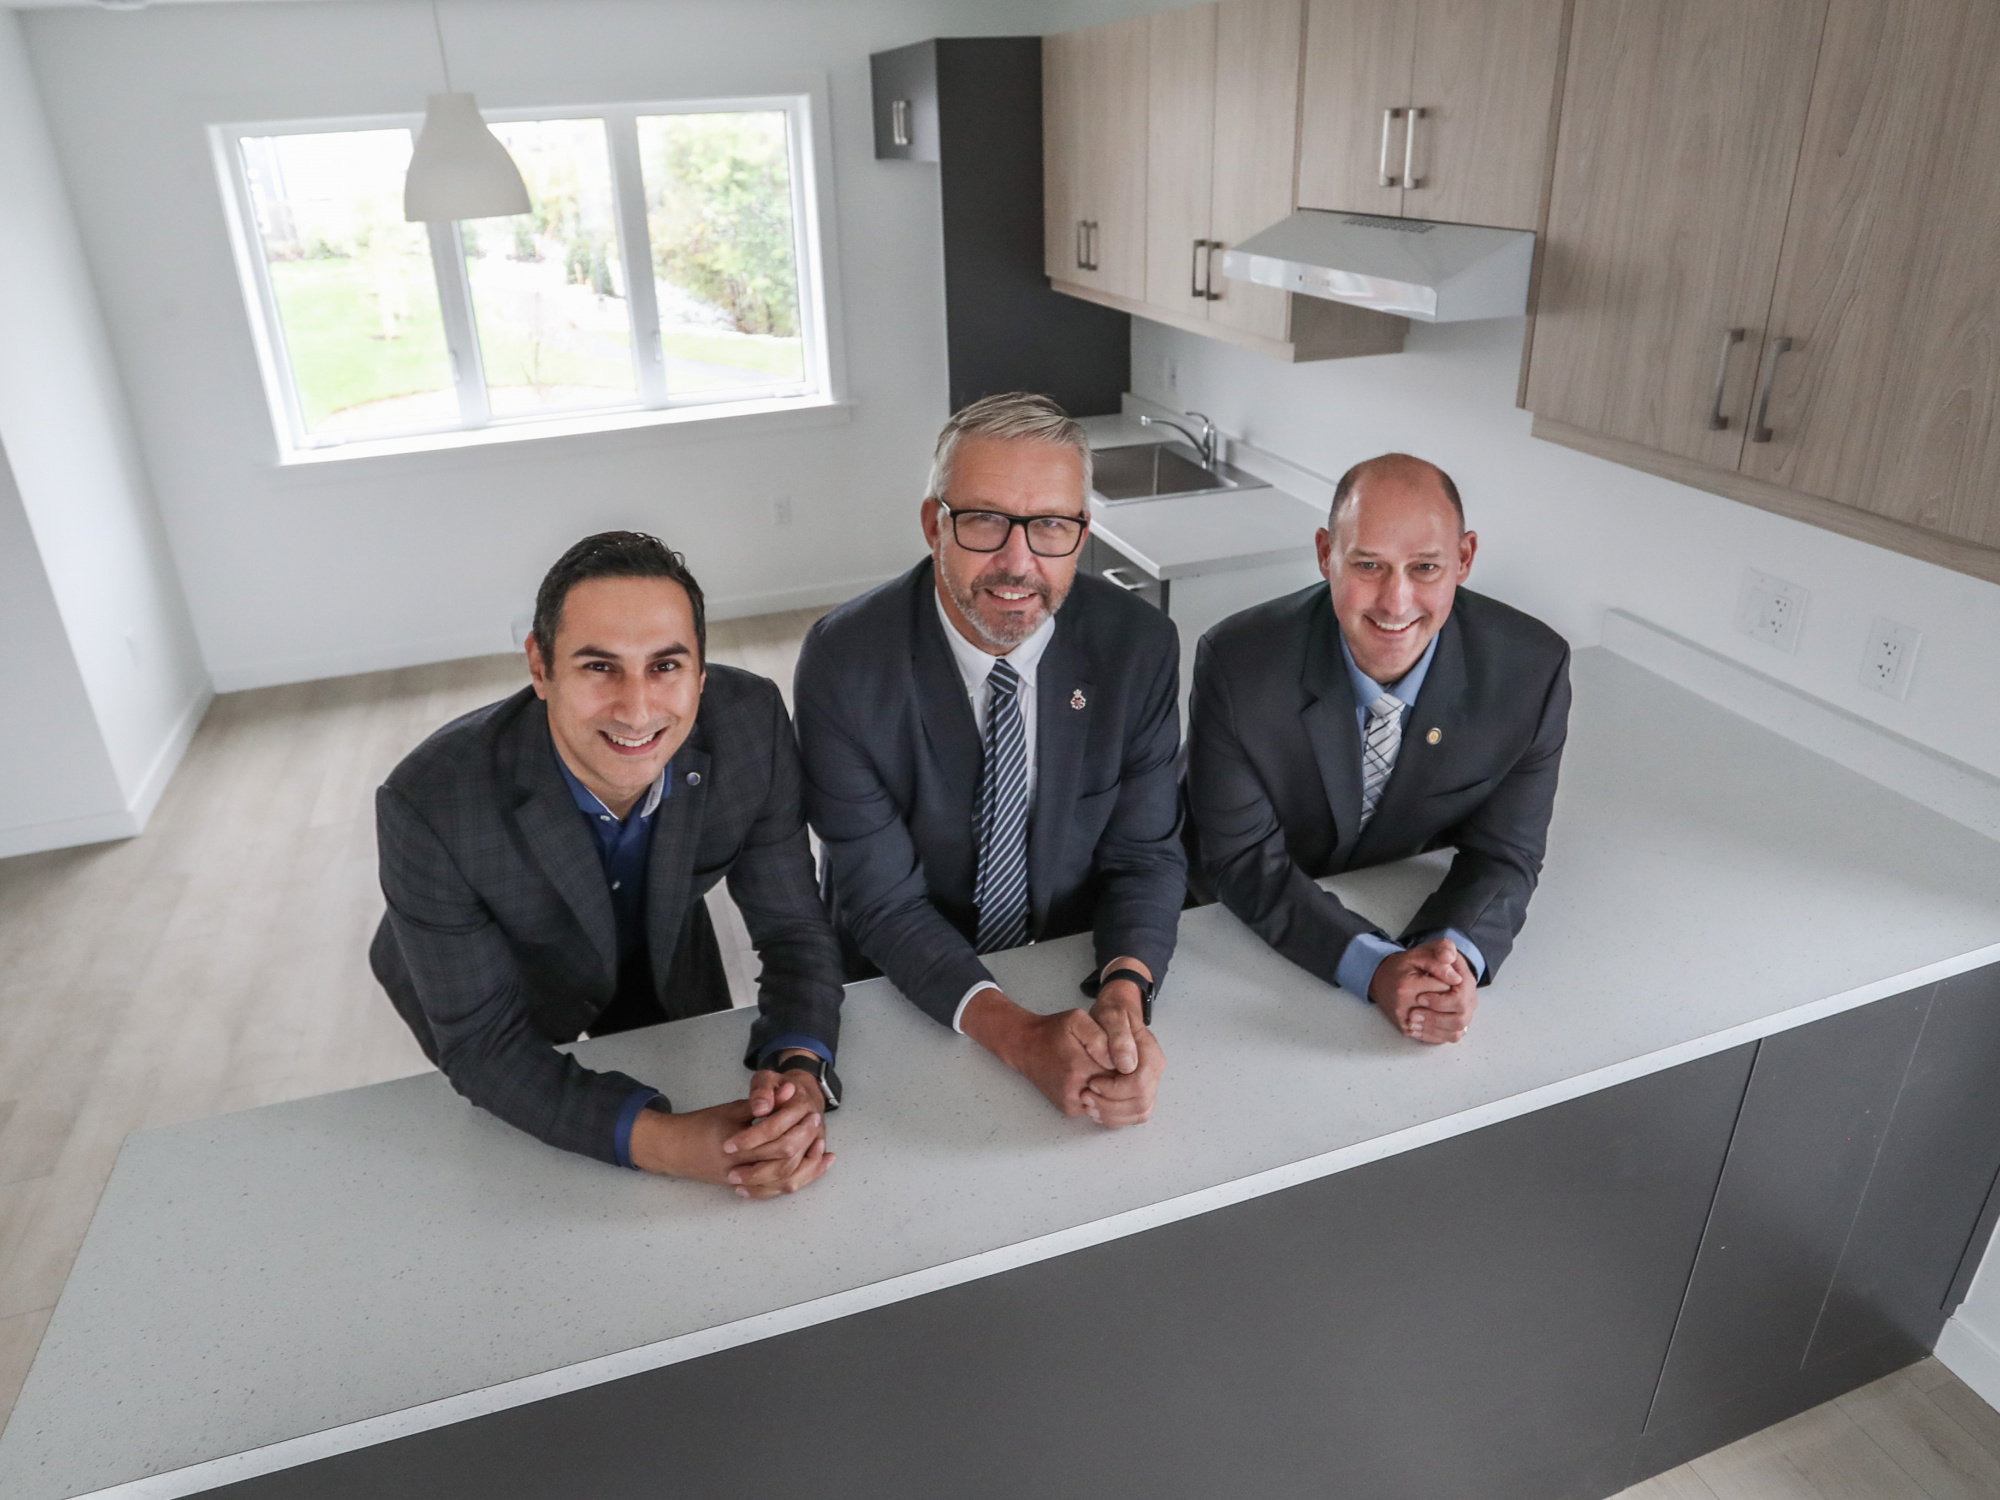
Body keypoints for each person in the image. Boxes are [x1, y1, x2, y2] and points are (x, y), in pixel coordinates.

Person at [370, 532, 843, 1197]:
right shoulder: (430, 805)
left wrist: (799, 1070)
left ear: (701, 672)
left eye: (665, 666)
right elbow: (487, 1049)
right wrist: (670, 1143)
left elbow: (793, 927)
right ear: (541, 666)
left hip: (660, 928)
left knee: (688, 1086)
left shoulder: (750, 724)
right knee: (541, 1177)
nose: (638, 709)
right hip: (509, 970)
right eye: (599, 667)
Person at [793, 393, 1184, 1126]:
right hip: (900, 994)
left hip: (1068, 967)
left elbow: (1146, 856)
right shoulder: (845, 663)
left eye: (1050, 527)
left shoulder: (1140, 646)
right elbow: (881, 903)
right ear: (933, 524)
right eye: (983, 521)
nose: (1018, 561)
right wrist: (1023, 1037)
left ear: (1082, 532)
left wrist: (1124, 995)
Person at [1186, 453, 1570, 1045]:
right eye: (1369, 564)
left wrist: (1451, 959)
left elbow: (1506, 853)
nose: (1396, 602)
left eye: (1425, 567)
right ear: (1325, 554)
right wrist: (1373, 965)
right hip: (1231, 944)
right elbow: (1241, 862)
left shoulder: (1532, 672)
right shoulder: (1237, 663)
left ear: (1464, 559)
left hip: (1395, 905)